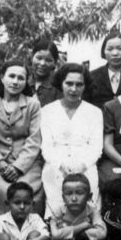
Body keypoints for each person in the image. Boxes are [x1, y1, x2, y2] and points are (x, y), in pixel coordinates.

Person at [0, 59, 43, 216]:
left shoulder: (33, 105)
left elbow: (34, 139)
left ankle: (32, 235)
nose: (15, 82)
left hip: (27, 164)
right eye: (11, 76)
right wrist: (0, 162)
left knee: (29, 190)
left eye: (21, 78)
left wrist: (18, 167)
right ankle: (2, 234)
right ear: (2, 78)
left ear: (27, 81)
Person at [41, 63, 103, 216]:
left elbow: (96, 148)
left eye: (79, 84)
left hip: (85, 164)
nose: (74, 89)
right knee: (57, 213)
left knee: (87, 208)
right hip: (56, 165)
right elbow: (46, 147)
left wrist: (81, 167)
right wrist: (61, 165)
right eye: (69, 83)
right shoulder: (47, 111)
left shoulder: (94, 112)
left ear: (85, 86)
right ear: (60, 84)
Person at [49, 174, 106, 240]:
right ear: (63, 197)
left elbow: (101, 231)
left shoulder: (92, 211)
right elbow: (55, 235)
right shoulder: (58, 212)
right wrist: (83, 226)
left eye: (79, 193)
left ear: (89, 196)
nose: (74, 198)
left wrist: (80, 235)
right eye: (69, 193)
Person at [88, 32, 121, 109]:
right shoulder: (92, 76)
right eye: (110, 49)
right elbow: (85, 105)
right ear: (103, 51)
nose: (115, 53)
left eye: (120, 48)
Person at [28, 40, 62, 107]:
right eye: (39, 58)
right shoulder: (22, 83)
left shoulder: (59, 87)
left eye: (48, 60)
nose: (42, 63)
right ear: (32, 57)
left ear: (54, 62)